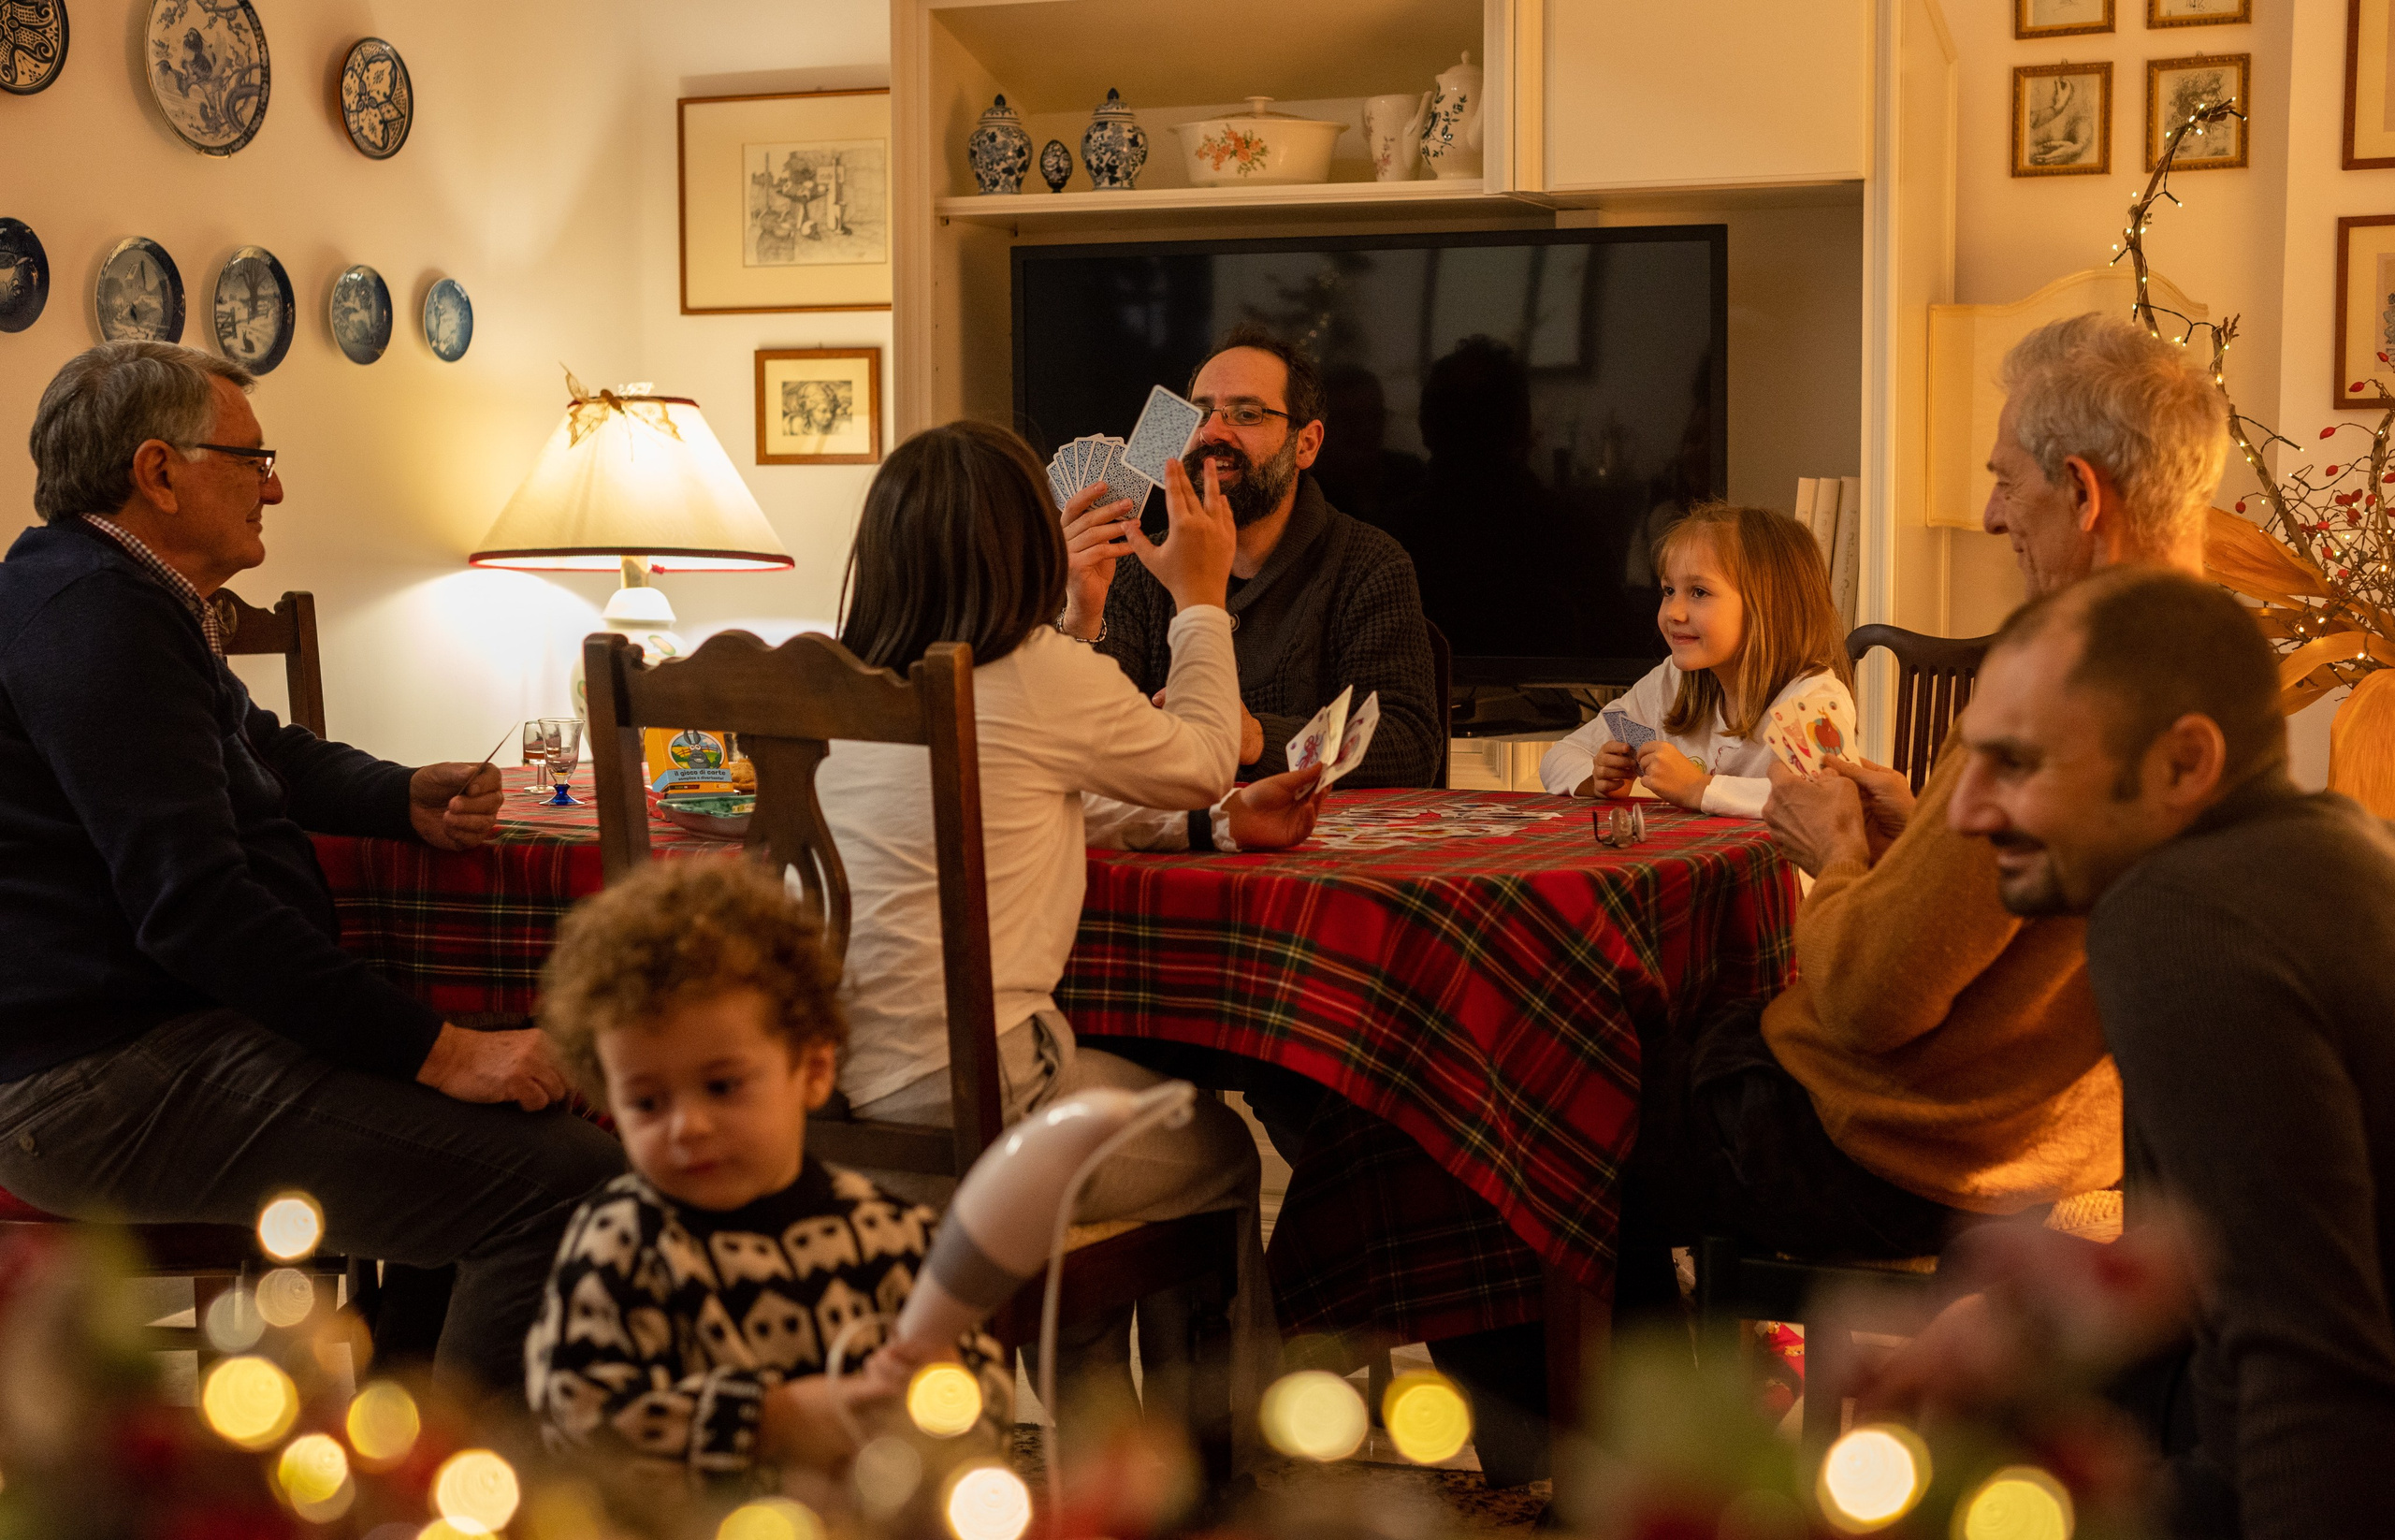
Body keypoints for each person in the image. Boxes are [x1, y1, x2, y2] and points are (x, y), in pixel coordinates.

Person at [0, 341, 621, 1388]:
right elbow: (195, 911)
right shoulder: (95, 618)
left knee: (497, 1150)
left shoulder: (101, 588)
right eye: (252, 458)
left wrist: (396, 794)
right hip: (98, 1081)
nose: (275, 485)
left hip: (138, 1046)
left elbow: (257, 746)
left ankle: (394, 1439)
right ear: (158, 472)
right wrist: (444, 1049)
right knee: (571, 1184)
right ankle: (460, 1495)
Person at [814, 418, 1320, 1446]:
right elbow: (1203, 753)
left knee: (1087, 1128)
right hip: (988, 1102)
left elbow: (1019, 789)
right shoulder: (1038, 672)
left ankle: (1103, 1456)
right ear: (1029, 547)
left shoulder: (843, 683)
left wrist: (1210, 823)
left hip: (827, 1104)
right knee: (1220, 1151)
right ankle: (1212, 1474)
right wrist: (1201, 601)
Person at [1715, 312, 2227, 1266]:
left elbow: (1869, 1001)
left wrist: (1835, 854)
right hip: (2069, 1140)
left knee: (1582, 1117)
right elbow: (2052, 914)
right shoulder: (2218, 672)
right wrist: (1918, 834)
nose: (1992, 515)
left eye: (2003, 479)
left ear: (2079, 490)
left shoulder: (2051, 690)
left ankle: (1641, 1414)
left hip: (1915, 1156)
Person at [1938, 567, 2395, 1538]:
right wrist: (2031, 1322)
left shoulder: (2178, 921)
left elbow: (2312, 1366)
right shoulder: (2328, 845)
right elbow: (2266, 1224)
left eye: (2014, 764)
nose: (1964, 812)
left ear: (2183, 763)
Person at [527, 859, 1010, 1484]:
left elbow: (992, 1408)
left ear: (812, 1070)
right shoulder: (619, 1246)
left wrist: (943, 1391)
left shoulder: (894, 1236)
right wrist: (769, 1420)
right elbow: (576, 1426)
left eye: (723, 1086)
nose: (687, 1126)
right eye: (647, 1102)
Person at [1060, 325, 1444, 788]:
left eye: (1246, 413)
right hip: (1175, 842)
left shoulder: (1368, 565)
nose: (1212, 431)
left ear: (1306, 444)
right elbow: (1078, 743)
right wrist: (1081, 615)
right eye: (1199, 412)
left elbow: (1407, 744)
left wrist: (1256, 739)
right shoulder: (1135, 563)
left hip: (1314, 851)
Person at [1539, 502, 1853, 817]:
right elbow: (1562, 755)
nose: (1673, 612)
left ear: (1771, 605)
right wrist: (1596, 779)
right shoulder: (1671, 684)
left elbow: (1824, 799)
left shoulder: (1812, 700)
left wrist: (1697, 788)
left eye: (1699, 592)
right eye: (1668, 590)